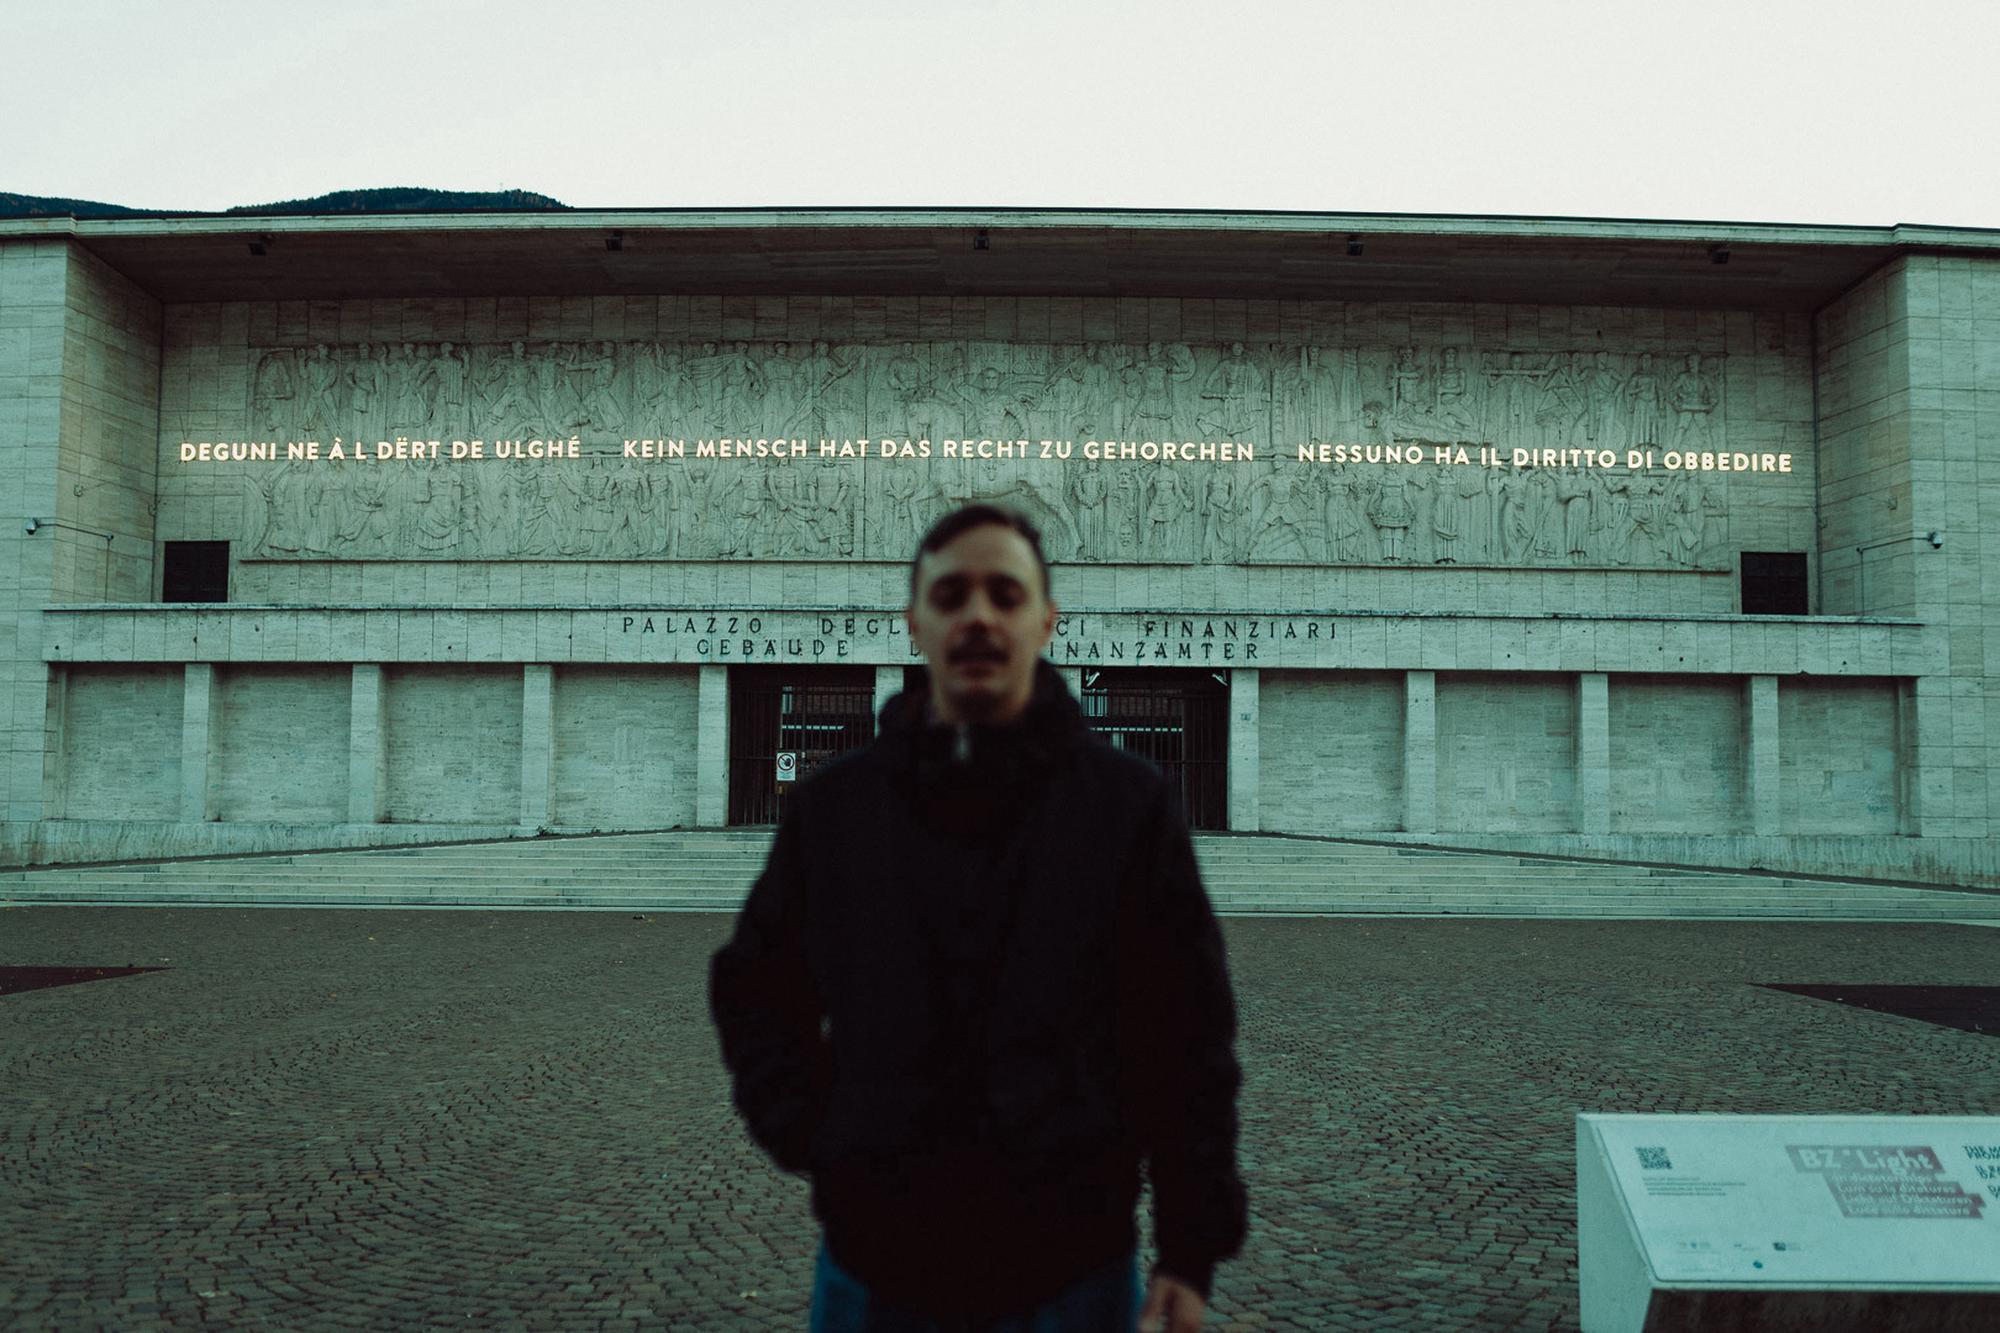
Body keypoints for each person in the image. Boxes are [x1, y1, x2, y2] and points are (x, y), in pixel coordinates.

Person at [709, 504, 1247, 1332]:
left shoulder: (1125, 806)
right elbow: (754, 985)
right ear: (913, 622)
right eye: (951, 594)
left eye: (1006, 593)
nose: (979, 617)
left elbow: (1186, 1032)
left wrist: (1189, 1246)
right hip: (875, 1263)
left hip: (1073, 1264)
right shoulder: (836, 807)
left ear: (1047, 620)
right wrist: (823, 1135)